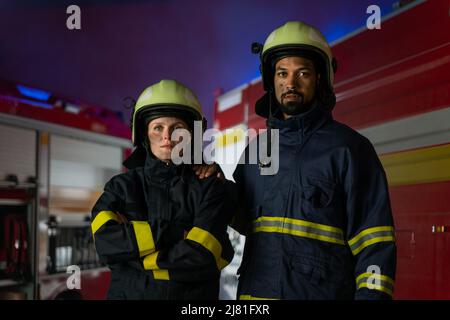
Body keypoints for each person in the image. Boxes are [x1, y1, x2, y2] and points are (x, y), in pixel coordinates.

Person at [231, 21, 396, 300]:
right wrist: (208, 182)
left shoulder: (349, 149)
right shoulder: (259, 149)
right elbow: (241, 219)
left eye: (302, 73)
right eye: (282, 73)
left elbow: (375, 243)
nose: (290, 83)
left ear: (320, 78)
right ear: (271, 80)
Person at [91, 79, 234, 300]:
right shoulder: (121, 187)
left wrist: (134, 258)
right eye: (158, 127)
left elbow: (204, 256)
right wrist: (175, 234)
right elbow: (106, 243)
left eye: (177, 128)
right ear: (144, 135)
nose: (167, 136)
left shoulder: (210, 186)